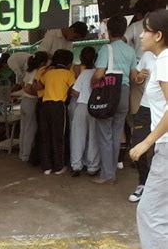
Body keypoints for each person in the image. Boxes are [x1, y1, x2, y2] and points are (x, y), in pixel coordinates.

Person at [129, 9, 168, 249]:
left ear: (159, 35)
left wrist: (146, 142)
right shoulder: (157, 61)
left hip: (167, 147)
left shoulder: (165, 61)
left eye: (145, 29)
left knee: (149, 211)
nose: (140, 34)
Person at [91, 15, 137, 184]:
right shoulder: (130, 51)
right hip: (124, 93)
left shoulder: (106, 49)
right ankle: (111, 173)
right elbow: (133, 76)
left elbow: (99, 74)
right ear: (124, 30)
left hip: (108, 94)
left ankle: (107, 174)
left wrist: (92, 83)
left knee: (104, 135)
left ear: (109, 31)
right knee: (117, 134)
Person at [35, 49, 75, 175]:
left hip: (44, 106)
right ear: (68, 63)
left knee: (45, 136)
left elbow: (39, 86)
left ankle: (46, 167)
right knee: (59, 137)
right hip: (58, 107)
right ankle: (58, 166)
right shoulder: (68, 73)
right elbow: (74, 90)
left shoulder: (48, 73)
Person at [128, 50, 156, 202]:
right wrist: (139, 78)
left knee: (161, 149)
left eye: (147, 31)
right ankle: (143, 183)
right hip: (146, 107)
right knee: (137, 145)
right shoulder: (147, 55)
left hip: (164, 110)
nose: (141, 35)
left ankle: (157, 189)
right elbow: (137, 80)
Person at [70, 47, 100, 176]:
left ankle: (76, 165)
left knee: (78, 136)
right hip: (96, 107)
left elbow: (75, 91)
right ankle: (92, 166)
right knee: (94, 136)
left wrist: (83, 96)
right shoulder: (99, 73)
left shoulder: (83, 73)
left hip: (82, 106)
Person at [19, 51, 48, 162]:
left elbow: (23, 85)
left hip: (24, 101)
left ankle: (22, 153)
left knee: (24, 128)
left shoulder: (29, 71)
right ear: (42, 63)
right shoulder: (37, 72)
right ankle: (27, 155)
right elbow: (28, 88)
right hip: (31, 101)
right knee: (30, 129)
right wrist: (41, 94)